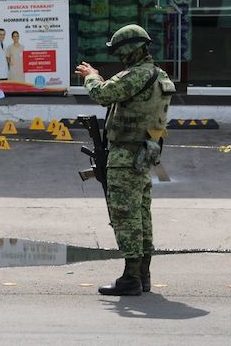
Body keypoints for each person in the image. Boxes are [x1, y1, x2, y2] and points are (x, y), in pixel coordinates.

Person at [75, 24, 175, 296]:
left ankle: (131, 278)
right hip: (145, 153)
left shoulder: (136, 75)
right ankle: (142, 275)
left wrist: (91, 76)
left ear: (131, 49)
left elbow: (103, 94)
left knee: (125, 216)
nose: (119, 57)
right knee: (141, 215)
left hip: (125, 155)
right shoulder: (158, 75)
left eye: (120, 51)